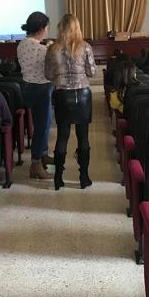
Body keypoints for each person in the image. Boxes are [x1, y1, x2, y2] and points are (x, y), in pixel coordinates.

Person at [45, 14, 96, 190]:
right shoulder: (86, 47)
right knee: (83, 137)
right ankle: (84, 177)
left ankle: (58, 178)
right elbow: (92, 72)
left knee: (62, 136)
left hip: (62, 95)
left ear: (60, 28)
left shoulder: (52, 49)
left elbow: (48, 75)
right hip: (82, 95)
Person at [17, 11, 55, 180]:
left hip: (27, 87)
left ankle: (43, 154)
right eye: (47, 27)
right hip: (42, 89)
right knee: (41, 127)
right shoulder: (43, 50)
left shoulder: (22, 45)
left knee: (44, 124)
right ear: (42, 28)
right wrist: (50, 48)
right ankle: (36, 164)